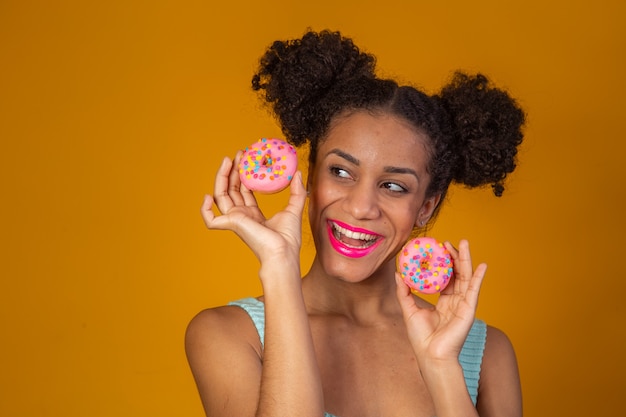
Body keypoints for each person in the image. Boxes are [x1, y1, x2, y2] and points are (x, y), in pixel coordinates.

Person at [186, 29, 525, 417]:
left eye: (394, 186)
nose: (362, 207)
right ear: (310, 177)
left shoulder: (487, 353)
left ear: (426, 207)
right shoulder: (227, 335)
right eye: (341, 172)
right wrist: (279, 266)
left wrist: (441, 367)